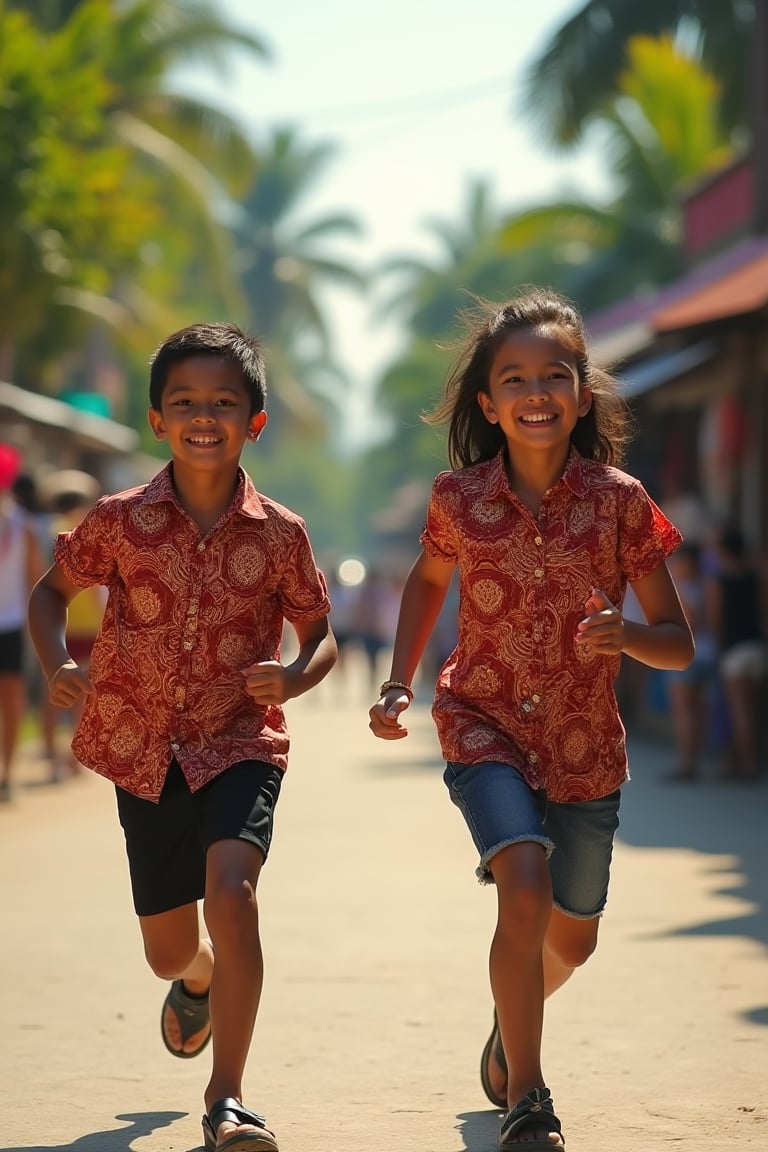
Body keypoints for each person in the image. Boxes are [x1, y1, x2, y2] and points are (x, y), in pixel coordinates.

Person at [368, 289, 694, 1150]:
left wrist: (631, 636)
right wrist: (400, 682)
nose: (536, 390)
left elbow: (680, 644)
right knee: (523, 883)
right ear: (489, 403)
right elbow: (428, 583)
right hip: (484, 723)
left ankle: (512, 1025)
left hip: (588, 747)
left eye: (555, 374)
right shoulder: (457, 498)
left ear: (583, 394)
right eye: (514, 377)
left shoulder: (623, 502)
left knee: (572, 942)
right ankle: (530, 1094)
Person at [28, 322, 337, 1152]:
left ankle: (227, 1098)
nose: (205, 416)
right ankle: (195, 981)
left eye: (224, 403)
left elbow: (320, 632)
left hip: (240, 741)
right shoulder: (118, 520)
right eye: (185, 403)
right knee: (170, 952)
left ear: (255, 422)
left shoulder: (281, 533)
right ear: (157, 421)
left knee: (234, 894)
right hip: (142, 749)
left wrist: (298, 676)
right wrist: (57, 662)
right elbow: (49, 595)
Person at [0, 445, 44, 802]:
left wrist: (38, 626)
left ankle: (7, 772)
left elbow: (36, 579)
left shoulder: (22, 526)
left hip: (11, 624)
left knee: (12, 700)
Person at [707, 524, 767, 781]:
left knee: (739, 709)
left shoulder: (718, 580)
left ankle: (747, 764)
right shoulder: (756, 577)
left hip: (733, 650)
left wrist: (719, 648)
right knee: (755, 708)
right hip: (756, 646)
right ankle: (752, 758)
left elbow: (716, 620)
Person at [661, 543, 718, 781]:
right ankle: (697, 759)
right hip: (708, 652)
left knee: (683, 711)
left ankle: (686, 763)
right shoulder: (706, 587)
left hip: (687, 656)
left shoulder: (681, 590)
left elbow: (688, 626)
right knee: (699, 709)